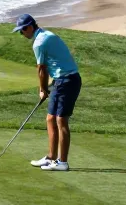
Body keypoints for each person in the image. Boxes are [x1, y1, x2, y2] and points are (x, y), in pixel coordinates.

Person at [12, 13, 81, 171]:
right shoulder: (46, 34)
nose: (22, 34)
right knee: (50, 119)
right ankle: (51, 157)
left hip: (68, 81)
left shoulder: (39, 43)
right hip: (61, 80)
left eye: (22, 31)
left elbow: (42, 69)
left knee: (61, 121)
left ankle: (62, 162)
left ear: (29, 27)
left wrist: (43, 89)